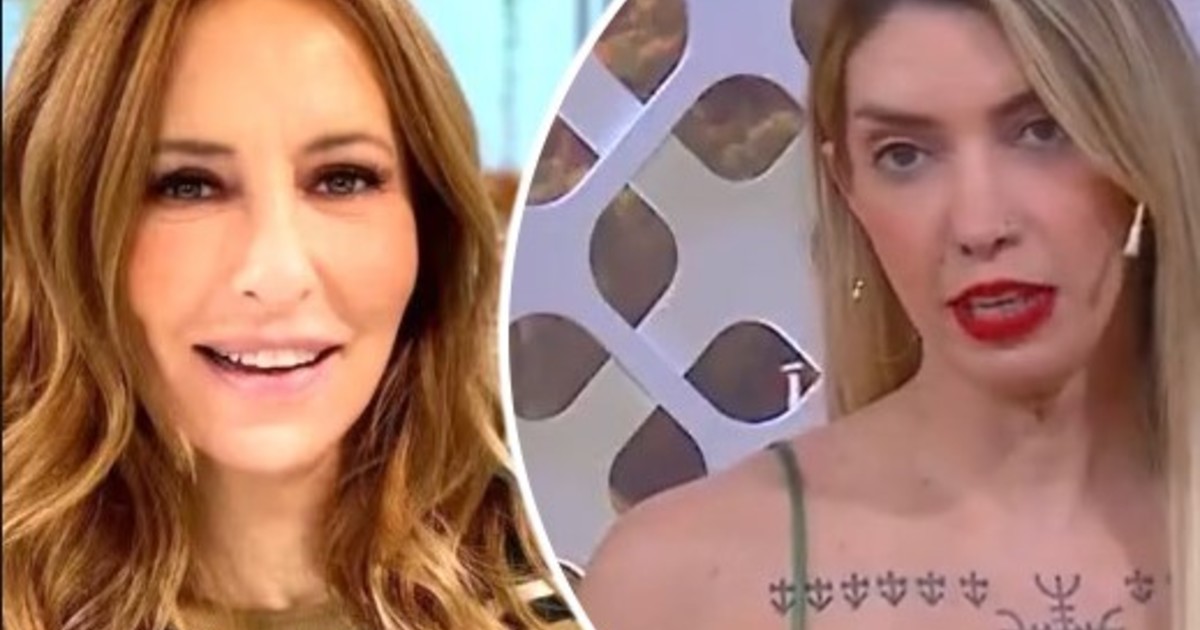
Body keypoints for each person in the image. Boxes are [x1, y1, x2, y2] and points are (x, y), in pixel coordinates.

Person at [577, 0, 1200, 629]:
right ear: (847, 186)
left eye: (1042, 131)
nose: (978, 225)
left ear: (1143, 146)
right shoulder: (671, 585)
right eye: (904, 155)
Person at [1, 0, 570, 628]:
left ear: (429, 226)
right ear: (63, 230)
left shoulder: (586, 579)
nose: (277, 275)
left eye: (342, 179)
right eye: (186, 185)